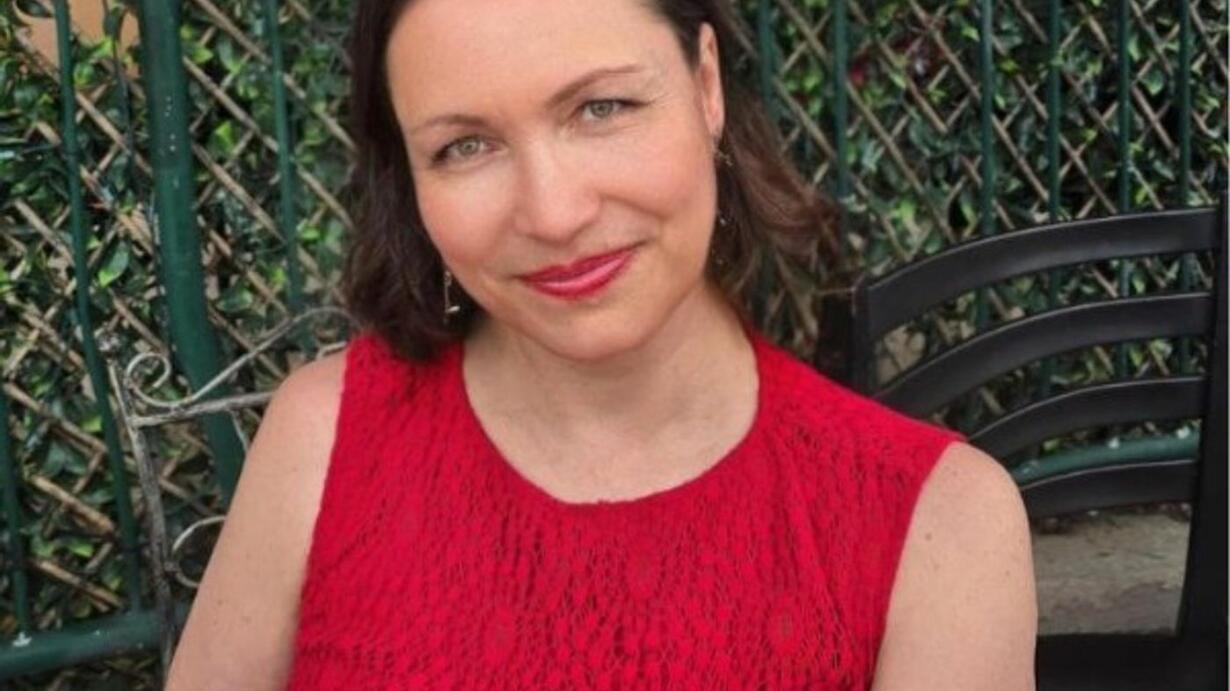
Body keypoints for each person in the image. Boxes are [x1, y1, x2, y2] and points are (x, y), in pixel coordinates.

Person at [166, 0, 1037, 688]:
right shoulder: (323, 441)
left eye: (601, 107)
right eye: (465, 146)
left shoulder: (940, 527)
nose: (553, 214)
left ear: (705, 86)